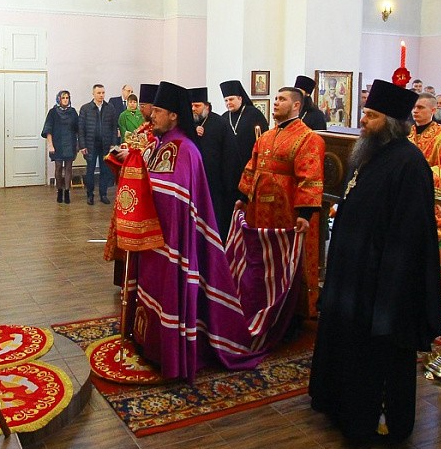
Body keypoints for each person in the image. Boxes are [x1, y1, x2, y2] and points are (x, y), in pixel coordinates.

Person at [109, 82, 300, 380]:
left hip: (173, 244)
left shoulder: (185, 150)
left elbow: (178, 200)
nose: (151, 117)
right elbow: (146, 182)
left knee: (168, 294)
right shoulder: (157, 145)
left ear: (174, 115)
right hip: (153, 242)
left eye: (157, 111)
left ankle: (171, 355)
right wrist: (128, 162)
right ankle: (150, 346)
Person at [309, 80, 441, 444]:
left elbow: (409, 236)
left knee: (374, 354)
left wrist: (388, 289)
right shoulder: (369, 154)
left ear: (392, 123)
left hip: (380, 282)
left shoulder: (410, 164)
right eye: (365, 113)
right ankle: (340, 408)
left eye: (371, 115)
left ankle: (371, 421)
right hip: (352, 274)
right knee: (347, 343)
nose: (363, 121)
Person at [237, 87, 325, 315]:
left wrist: (305, 214)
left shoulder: (309, 138)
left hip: (287, 212)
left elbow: (310, 178)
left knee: (286, 262)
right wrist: (242, 198)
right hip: (259, 210)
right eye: (275, 98)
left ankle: (290, 313)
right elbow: (251, 167)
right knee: (261, 260)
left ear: (296, 105)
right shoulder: (265, 136)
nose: (275, 102)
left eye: (282, 99)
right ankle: (259, 306)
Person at [409, 92, 441, 303]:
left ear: (433, 110)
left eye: (420, 107)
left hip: (432, 202)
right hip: (406, 199)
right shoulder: (407, 134)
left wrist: (418, 175)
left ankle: (435, 293)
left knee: (433, 247)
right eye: (414, 107)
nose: (415, 111)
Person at [190, 88, 240, 240]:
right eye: (191, 106)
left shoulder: (220, 124)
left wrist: (228, 186)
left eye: (197, 106)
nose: (193, 109)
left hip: (215, 185)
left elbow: (230, 156)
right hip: (193, 183)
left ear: (207, 106)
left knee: (215, 221)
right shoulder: (187, 125)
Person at [220, 79, 270, 194]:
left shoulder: (254, 114)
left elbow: (264, 139)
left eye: (231, 99)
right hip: (230, 169)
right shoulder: (224, 117)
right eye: (226, 100)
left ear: (240, 98)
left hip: (249, 165)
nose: (228, 103)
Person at [78, 84, 118, 204]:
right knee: (90, 170)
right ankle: (90, 195)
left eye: (103, 93)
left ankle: (103, 194)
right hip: (90, 144)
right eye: (99, 93)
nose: (101, 95)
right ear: (93, 94)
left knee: (105, 170)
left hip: (105, 144)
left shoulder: (110, 108)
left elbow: (114, 127)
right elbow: (81, 129)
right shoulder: (85, 108)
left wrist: (113, 144)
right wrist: (82, 145)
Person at [42, 90, 79, 204]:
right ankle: (59, 190)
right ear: (59, 99)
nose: (65, 100)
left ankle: (67, 191)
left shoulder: (73, 112)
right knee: (58, 167)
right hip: (57, 144)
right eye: (63, 98)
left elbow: (78, 129)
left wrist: (78, 144)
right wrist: (50, 145)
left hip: (70, 143)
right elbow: (48, 129)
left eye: (67, 98)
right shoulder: (53, 112)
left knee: (68, 168)